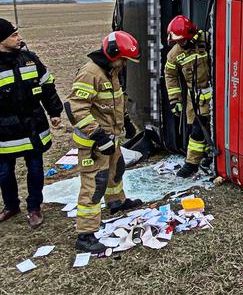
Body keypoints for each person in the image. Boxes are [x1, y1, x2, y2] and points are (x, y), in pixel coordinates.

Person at [66, 30, 143, 252]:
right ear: (112, 53)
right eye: (123, 60)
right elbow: (76, 108)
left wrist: (125, 121)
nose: (124, 64)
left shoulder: (111, 71)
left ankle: (116, 202)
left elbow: (114, 101)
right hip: (93, 142)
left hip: (111, 136)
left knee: (115, 171)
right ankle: (85, 234)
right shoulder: (91, 73)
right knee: (95, 184)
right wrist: (98, 136)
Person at [0, 18, 62, 228]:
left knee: (35, 169)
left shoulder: (29, 59)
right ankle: (11, 206)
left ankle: (34, 207)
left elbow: (47, 85)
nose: (20, 38)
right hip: (4, 133)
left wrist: (54, 111)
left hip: (33, 127)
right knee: (4, 172)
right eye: (14, 35)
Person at [164, 15, 212, 178]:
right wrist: (175, 100)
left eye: (183, 40)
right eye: (178, 41)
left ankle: (192, 164)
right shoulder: (174, 54)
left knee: (205, 130)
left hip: (215, 95)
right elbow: (170, 75)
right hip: (195, 99)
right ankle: (203, 158)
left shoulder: (206, 40)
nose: (180, 43)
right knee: (196, 130)